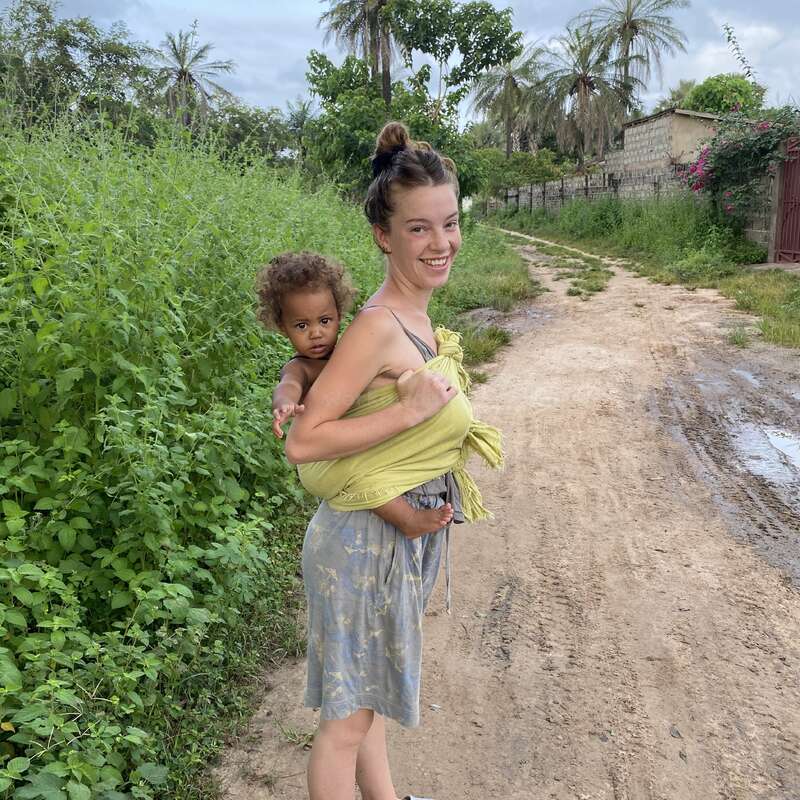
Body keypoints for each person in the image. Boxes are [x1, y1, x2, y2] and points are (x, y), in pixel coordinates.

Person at [285, 121, 502, 800]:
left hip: (388, 539)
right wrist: (406, 414)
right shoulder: (379, 326)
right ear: (384, 235)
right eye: (419, 228)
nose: (441, 243)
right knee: (344, 724)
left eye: (450, 223)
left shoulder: (416, 319)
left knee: (367, 697)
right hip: (361, 545)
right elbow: (305, 442)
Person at [254, 250, 455, 538]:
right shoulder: (302, 366)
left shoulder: (351, 349)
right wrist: (285, 404)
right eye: (302, 325)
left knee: (369, 470)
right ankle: (408, 519)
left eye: (325, 320)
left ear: (339, 316)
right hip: (327, 457)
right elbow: (289, 384)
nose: (316, 333)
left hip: (350, 440)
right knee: (365, 481)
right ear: (284, 329)